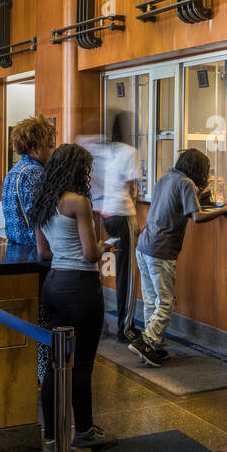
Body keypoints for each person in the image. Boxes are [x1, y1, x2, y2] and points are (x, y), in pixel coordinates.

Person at [32, 144, 116, 452]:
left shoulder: (42, 201)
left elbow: (43, 253)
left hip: (53, 284)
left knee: (57, 364)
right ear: (78, 170)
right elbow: (91, 254)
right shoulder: (77, 202)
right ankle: (81, 432)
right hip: (80, 286)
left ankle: (54, 438)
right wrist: (105, 246)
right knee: (80, 364)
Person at [131, 149, 227, 366]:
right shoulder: (186, 183)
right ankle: (147, 341)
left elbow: (176, 205)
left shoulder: (165, 179)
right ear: (198, 169)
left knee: (152, 300)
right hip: (161, 250)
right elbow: (197, 217)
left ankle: (153, 346)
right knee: (166, 303)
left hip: (144, 246)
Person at [1, 115, 56, 387]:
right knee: (44, 326)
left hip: (18, 255)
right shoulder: (35, 174)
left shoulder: (13, 173)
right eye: (49, 145)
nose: (52, 150)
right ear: (35, 147)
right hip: (37, 259)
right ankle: (45, 381)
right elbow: (41, 221)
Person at [87, 112, 141, 345]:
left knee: (112, 269)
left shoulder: (106, 151)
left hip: (106, 214)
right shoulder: (130, 152)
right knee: (127, 275)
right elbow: (133, 188)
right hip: (122, 213)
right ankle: (126, 328)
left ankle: (111, 322)